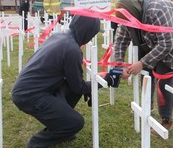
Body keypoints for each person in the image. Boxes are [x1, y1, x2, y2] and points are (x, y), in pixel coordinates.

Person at [12, 15, 121, 148]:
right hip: (30, 96)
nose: (91, 38)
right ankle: (37, 143)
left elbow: (74, 84)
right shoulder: (72, 49)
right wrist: (105, 81)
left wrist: (88, 87)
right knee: (76, 123)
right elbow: (79, 87)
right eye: (92, 34)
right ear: (87, 32)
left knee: (72, 91)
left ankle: (62, 125)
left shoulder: (58, 36)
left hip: (27, 88)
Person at [113, 0, 173, 132]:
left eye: (129, 20)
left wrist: (142, 62)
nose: (127, 24)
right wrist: (119, 65)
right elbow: (120, 41)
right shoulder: (127, 15)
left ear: (135, 12)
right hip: (149, 43)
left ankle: (165, 120)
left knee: (163, 85)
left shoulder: (159, 9)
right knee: (146, 77)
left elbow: (166, 44)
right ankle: (148, 107)